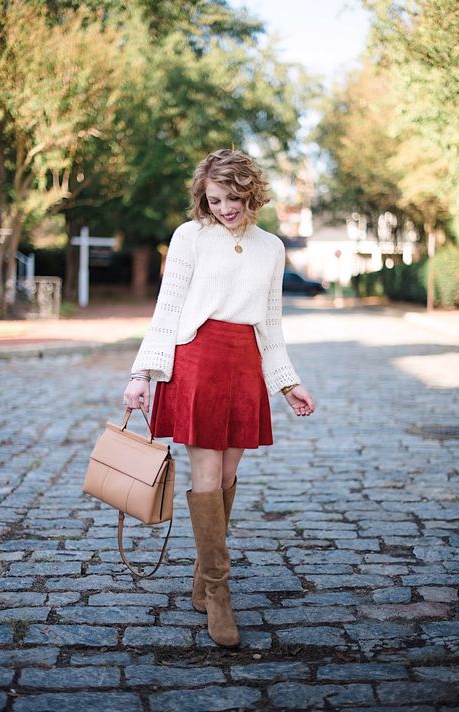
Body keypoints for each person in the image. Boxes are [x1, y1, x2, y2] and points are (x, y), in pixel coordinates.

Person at [123, 148, 315, 648]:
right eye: (214, 199)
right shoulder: (190, 237)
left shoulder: (271, 247)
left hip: (244, 364)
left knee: (228, 476)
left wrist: (288, 382)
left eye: (232, 198)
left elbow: (270, 323)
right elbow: (167, 308)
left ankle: (202, 576)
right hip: (197, 362)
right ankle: (219, 592)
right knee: (207, 476)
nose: (224, 208)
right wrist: (141, 373)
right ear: (202, 199)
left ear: (250, 193)